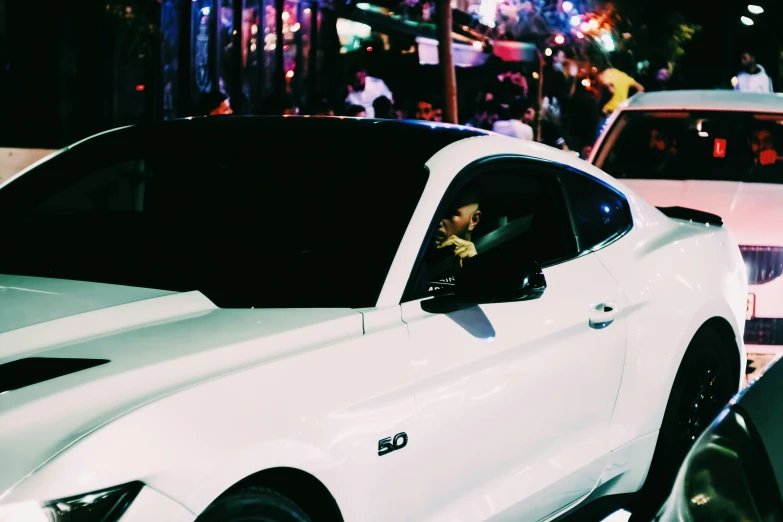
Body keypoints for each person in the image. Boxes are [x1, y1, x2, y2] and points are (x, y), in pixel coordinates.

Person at [427, 185, 483, 292]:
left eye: (450, 214)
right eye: (436, 213)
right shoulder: (416, 253)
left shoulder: (488, 263)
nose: (438, 222)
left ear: (474, 220)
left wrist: (475, 267)